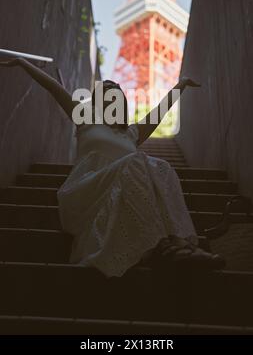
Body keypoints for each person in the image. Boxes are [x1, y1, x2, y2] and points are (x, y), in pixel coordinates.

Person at [0, 57, 225, 277]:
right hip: (88, 190)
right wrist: (23, 63)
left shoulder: (131, 132)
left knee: (162, 167)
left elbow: (160, 110)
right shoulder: (85, 119)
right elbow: (54, 87)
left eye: (115, 90)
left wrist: (182, 83)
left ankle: (180, 245)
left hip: (123, 195)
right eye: (105, 89)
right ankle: (166, 246)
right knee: (137, 160)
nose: (111, 90)